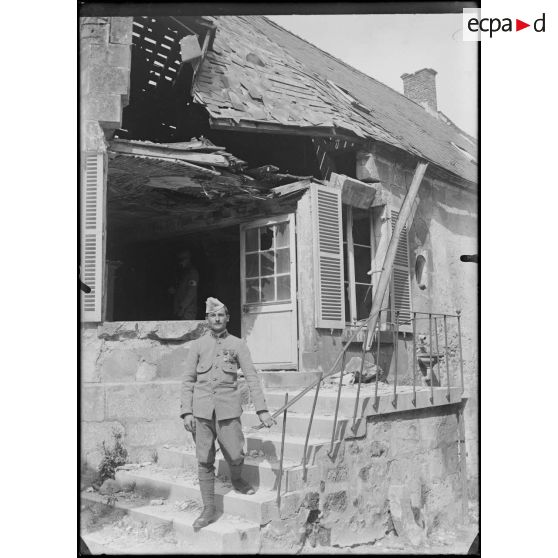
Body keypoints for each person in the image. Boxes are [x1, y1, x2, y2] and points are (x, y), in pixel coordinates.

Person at [180, 297, 275, 529]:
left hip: (228, 411)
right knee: (204, 459)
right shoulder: (198, 345)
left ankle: (237, 478)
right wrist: (186, 412)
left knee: (235, 454)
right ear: (207, 319)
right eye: (213, 315)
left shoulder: (238, 344)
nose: (217, 319)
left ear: (227, 318)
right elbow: (188, 380)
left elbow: (251, 377)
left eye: (221, 315)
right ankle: (209, 508)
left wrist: (262, 410)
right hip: (201, 412)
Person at [169, 249, 199, 320]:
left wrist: (182, 307)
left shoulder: (192, 273)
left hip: (187, 311)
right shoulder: (184, 273)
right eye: (179, 260)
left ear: (188, 259)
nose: (180, 263)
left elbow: (191, 292)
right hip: (180, 310)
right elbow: (182, 291)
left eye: (182, 260)